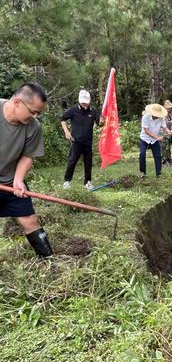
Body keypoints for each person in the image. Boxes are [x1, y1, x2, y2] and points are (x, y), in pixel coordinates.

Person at [0, 83, 53, 256]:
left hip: (8, 182)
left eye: (38, 113)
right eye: (33, 111)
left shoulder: (33, 127)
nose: (35, 116)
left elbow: (27, 156)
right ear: (17, 102)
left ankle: (48, 261)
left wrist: (18, 180)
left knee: (30, 220)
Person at [61, 90, 102, 191]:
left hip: (88, 142)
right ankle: (67, 181)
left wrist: (103, 120)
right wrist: (67, 132)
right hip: (76, 142)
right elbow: (62, 119)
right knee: (72, 161)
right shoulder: (73, 110)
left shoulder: (93, 111)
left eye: (86, 103)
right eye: (83, 103)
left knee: (88, 163)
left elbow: (100, 123)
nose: (85, 105)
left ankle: (87, 182)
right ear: (79, 101)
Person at [139, 103, 169, 178]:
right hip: (144, 138)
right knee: (142, 154)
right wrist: (157, 137)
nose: (158, 116)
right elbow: (146, 130)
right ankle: (143, 172)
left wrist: (169, 132)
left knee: (158, 156)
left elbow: (165, 128)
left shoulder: (162, 118)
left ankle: (158, 173)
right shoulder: (145, 117)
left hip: (154, 140)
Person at [162, 100, 172, 165]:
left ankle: (169, 159)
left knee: (168, 147)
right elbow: (165, 124)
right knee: (164, 147)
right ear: (166, 108)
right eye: (169, 108)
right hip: (163, 133)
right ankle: (164, 161)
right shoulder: (163, 115)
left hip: (168, 133)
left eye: (171, 108)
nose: (170, 109)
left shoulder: (169, 115)